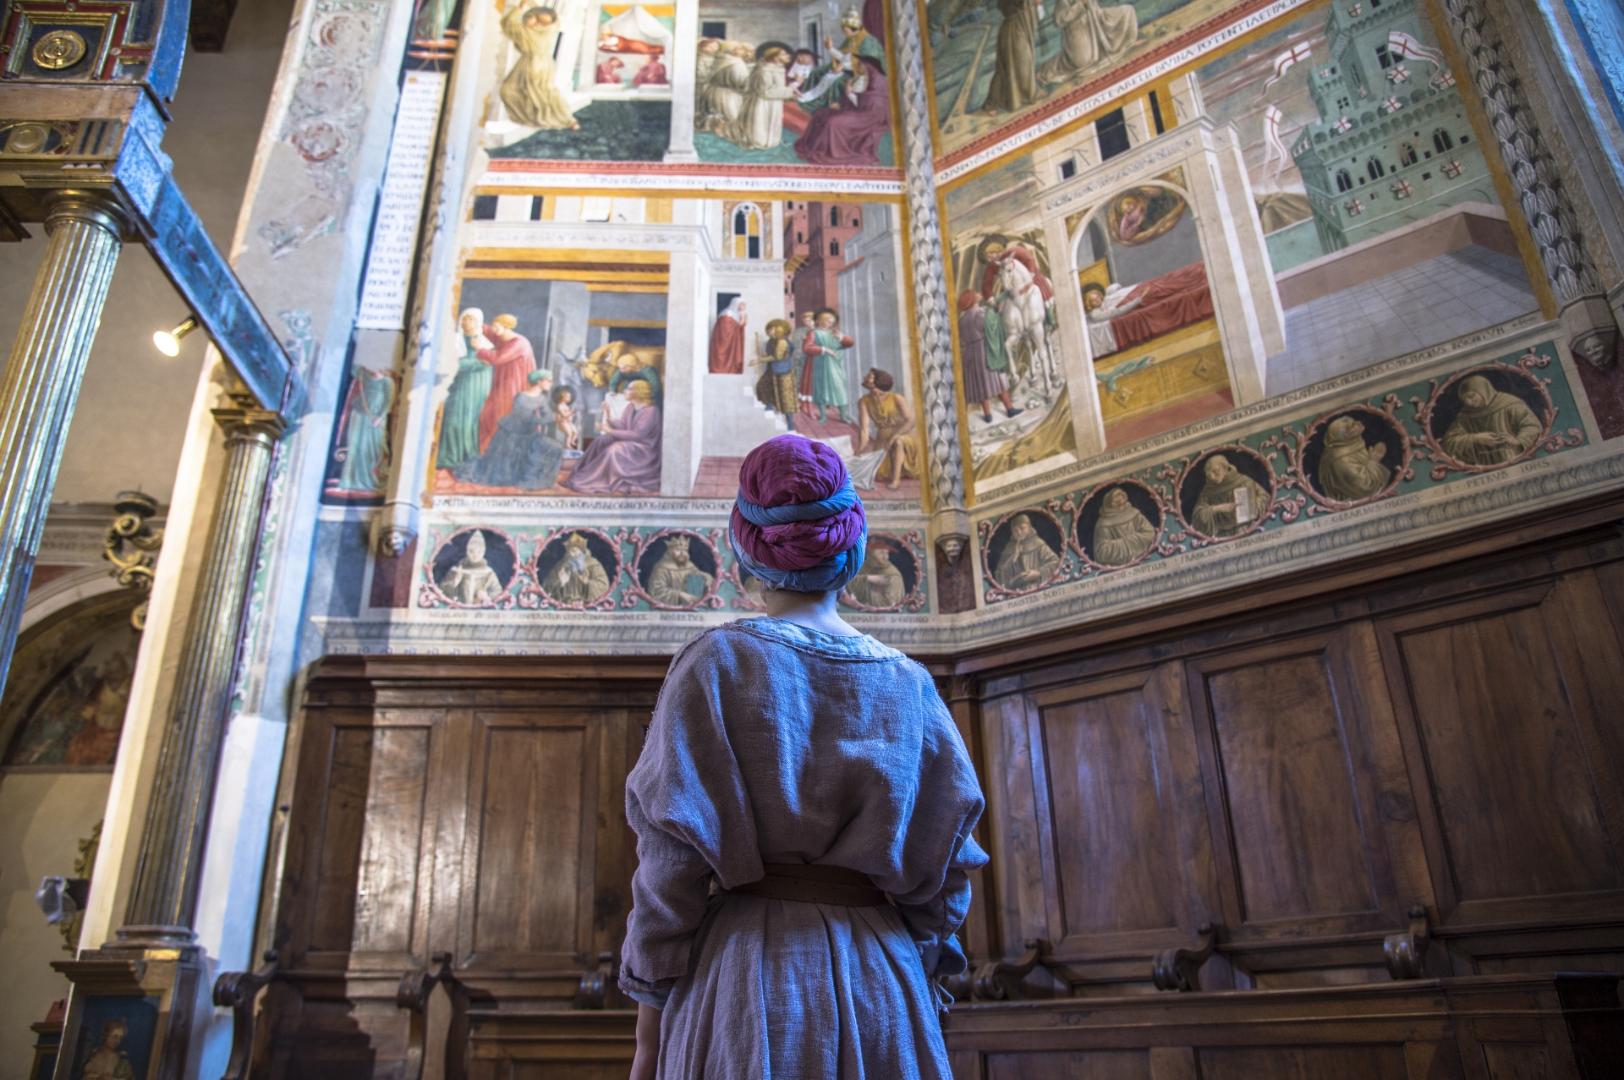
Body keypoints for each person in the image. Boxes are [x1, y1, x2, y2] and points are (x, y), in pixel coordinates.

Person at [621, 434, 986, 1080]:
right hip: (883, 980)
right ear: (851, 547)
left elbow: (670, 868)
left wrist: (649, 1032)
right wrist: (916, 982)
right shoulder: (909, 683)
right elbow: (947, 875)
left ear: (746, 551)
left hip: (745, 985)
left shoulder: (715, 667)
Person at [453, 370, 566, 489]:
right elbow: (526, 418)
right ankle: (526, 478)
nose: (551, 383)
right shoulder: (521, 397)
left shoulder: (542, 398)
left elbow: (547, 414)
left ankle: (542, 479)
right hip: (512, 435)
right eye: (549, 380)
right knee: (502, 470)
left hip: (528, 433)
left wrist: (558, 416)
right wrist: (554, 418)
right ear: (539, 381)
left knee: (555, 447)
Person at [566, 379, 662, 494]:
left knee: (614, 450)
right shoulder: (631, 407)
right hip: (632, 443)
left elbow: (637, 435)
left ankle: (598, 479)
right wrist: (607, 414)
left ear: (639, 392)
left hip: (644, 450)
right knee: (601, 440)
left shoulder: (651, 411)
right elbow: (623, 425)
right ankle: (580, 473)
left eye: (629, 389)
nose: (625, 391)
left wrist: (610, 431)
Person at [499, 5, 579, 130]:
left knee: (527, 92)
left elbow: (508, 23)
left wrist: (519, 8)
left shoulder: (529, 34)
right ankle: (565, 120)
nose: (536, 23)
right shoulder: (548, 30)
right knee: (542, 93)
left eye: (540, 21)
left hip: (533, 64)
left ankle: (561, 120)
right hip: (542, 63)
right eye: (534, 18)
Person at [1441, 374, 1542, 466]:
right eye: (1464, 399)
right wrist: (1476, 438)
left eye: (1471, 396)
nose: (1468, 402)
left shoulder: (1510, 404)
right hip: (1484, 465)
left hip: (1514, 459)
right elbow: (1449, 442)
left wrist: (1518, 441)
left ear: (1483, 390)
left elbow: (1532, 426)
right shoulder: (1465, 416)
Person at [1038, 0, 1140, 86]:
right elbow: (1059, 20)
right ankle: (1050, 68)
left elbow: (1095, 8)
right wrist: (1080, 4)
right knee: (1083, 61)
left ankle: (1122, 43)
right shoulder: (1062, 1)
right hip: (1078, 31)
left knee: (1128, 11)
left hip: (1097, 22)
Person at [476, 314, 537, 452]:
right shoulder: (503, 337)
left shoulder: (519, 343)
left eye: (497, 327)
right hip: (504, 381)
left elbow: (498, 357)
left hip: (513, 385)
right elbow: (490, 333)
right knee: (488, 414)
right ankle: (489, 450)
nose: (494, 329)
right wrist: (477, 324)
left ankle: (500, 452)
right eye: (493, 325)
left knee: (501, 414)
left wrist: (479, 349)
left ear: (506, 327)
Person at [957, 290, 1019, 423]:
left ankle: (987, 415)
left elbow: (961, 340)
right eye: (975, 294)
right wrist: (998, 312)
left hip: (969, 353)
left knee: (981, 384)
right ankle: (1009, 409)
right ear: (972, 299)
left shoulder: (962, 320)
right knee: (999, 379)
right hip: (984, 350)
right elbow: (991, 326)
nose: (979, 294)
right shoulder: (979, 314)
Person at [855, 368, 920, 489]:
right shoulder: (864, 401)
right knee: (879, 473)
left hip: (904, 434)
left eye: (869, 376)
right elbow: (864, 429)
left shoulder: (896, 398)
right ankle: (894, 472)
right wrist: (859, 450)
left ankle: (896, 481)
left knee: (898, 442)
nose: (865, 377)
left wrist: (896, 435)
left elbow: (911, 420)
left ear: (878, 381)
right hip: (882, 438)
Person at [335, 365, 394, 492]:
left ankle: (370, 477)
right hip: (360, 414)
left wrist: (379, 417)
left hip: (375, 418)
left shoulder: (387, 382)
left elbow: (388, 402)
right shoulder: (364, 376)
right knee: (356, 447)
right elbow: (353, 368)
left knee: (372, 448)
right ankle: (349, 479)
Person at [980, 0, 1040, 114]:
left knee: (1015, 66)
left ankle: (1027, 94)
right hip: (1013, 31)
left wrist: (1037, 5)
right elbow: (1010, 7)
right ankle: (994, 103)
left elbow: (1035, 13)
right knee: (1012, 67)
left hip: (1021, 27)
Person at [733, 45, 797, 150]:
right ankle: (760, 142)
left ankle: (770, 142)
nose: (787, 56)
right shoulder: (765, 70)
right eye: (783, 54)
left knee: (771, 123)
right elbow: (766, 91)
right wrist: (789, 92)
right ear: (775, 57)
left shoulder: (778, 68)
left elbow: (777, 88)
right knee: (761, 124)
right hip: (763, 102)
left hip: (774, 101)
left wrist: (790, 91)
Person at [1191, 453, 1270, 537]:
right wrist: (1216, 508)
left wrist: (1251, 506)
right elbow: (1197, 517)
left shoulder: (1243, 481)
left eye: (1215, 471)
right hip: (1221, 535)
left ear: (1225, 468)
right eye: (1209, 474)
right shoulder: (1207, 491)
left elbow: (1265, 498)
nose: (1212, 477)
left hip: (1246, 528)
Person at [1317, 415, 1391, 501]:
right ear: (1345, 435)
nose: (1358, 423)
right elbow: (1364, 487)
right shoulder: (1341, 461)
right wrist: (1373, 461)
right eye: (1352, 425)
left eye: (1353, 421)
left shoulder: (1351, 443)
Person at [802, 307, 853, 424]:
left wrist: (842, 338)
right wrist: (824, 349)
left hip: (835, 365)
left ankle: (843, 415)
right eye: (826, 319)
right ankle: (823, 416)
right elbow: (807, 348)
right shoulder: (813, 333)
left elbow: (849, 343)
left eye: (831, 320)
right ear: (818, 320)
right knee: (821, 389)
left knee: (839, 389)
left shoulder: (835, 333)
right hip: (820, 364)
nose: (829, 322)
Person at [1090, 487, 1158, 566]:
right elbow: (1101, 552)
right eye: (1117, 503)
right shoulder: (1103, 524)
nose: (1120, 505)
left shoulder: (1134, 514)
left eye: (1122, 502)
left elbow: (1150, 533)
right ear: (1109, 504)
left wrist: (1126, 541)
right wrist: (1127, 543)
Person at [993, 512, 1061, 590]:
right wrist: (1012, 557)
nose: (1019, 532)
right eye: (1015, 530)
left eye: (1022, 528)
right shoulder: (1009, 548)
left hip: (1039, 586)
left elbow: (1055, 562)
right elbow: (999, 575)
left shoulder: (1038, 544)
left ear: (1029, 527)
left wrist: (1039, 572)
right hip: (1017, 590)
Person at [542, 532, 612, 605]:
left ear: (582, 551)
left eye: (575, 551)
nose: (572, 554)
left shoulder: (593, 564)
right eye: (570, 551)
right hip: (565, 604)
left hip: (587, 604)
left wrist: (587, 583)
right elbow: (546, 587)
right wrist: (561, 583)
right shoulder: (561, 566)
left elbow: (603, 585)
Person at [754, 317, 798, 430]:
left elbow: (776, 357)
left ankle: (790, 425)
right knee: (763, 386)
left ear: (779, 329)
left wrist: (760, 360)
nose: (769, 332)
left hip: (783, 372)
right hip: (772, 370)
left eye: (772, 329)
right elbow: (770, 354)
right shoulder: (771, 341)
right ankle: (769, 406)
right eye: (768, 330)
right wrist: (762, 356)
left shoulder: (783, 341)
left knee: (786, 398)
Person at [438, 531, 505, 605]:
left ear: (483, 552)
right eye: (471, 551)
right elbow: (441, 592)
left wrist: (487, 596)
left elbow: (498, 592)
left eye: (479, 552)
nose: (475, 555)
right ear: (467, 551)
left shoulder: (489, 573)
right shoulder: (456, 571)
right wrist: (454, 583)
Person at [647, 534, 715, 607]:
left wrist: (707, 577)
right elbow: (656, 591)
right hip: (670, 607)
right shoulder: (661, 568)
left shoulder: (689, 565)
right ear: (670, 551)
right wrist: (680, 595)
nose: (682, 553)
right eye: (678, 550)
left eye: (684, 550)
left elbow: (697, 574)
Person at [702, 42, 753, 136]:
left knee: (718, 113)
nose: (747, 53)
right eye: (743, 50)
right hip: (728, 94)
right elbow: (741, 81)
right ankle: (725, 132)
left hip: (713, 91)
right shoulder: (737, 63)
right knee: (730, 115)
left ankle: (715, 130)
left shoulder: (720, 59)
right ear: (735, 50)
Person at [846, 542, 906, 607]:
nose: (885, 557)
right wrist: (868, 578)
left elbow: (890, 602)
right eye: (881, 553)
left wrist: (870, 594)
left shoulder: (893, 574)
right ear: (871, 554)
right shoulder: (862, 567)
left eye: (887, 553)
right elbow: (847, 582)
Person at [709, 298, 747, 374]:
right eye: (741, 305)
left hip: (732, 343)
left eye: (744, 305)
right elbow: (726, 330)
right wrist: (741, 321)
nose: (743, 307)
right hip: (724, 342)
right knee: (722, 356)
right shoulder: (727, 313)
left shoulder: (737, 315)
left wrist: (742, 319)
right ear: (736, 304)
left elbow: (739, 327)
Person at [553, 385, 581, 450]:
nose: (569, 398)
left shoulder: (565, 405)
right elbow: (564, 415)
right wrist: (571, 412)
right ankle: (567, 445)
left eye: (570, 397)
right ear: (562, 397)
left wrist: (572, 414)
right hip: (563, 422)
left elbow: (569, 414)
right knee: (569, 433)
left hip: (568, 422)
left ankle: (572, 441)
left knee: (575, 432)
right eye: (568, 397)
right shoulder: (560, 406)